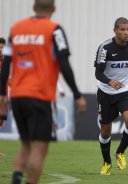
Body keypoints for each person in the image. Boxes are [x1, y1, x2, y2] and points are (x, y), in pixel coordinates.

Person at [0, 0, 87, 183]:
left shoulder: (16, 28)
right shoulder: (54, 30)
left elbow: (6, 64)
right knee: (39, 147)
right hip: (39, 96)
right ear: (54, 9)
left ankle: (16, 177)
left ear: (33, 7)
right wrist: (77, 95)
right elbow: (64, 64)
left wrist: (2, 94)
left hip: (17, 95)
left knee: (25, 143)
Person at [94, 17, 128, 175]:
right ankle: (107, 162)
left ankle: (120, 151)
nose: (126, 33)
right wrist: (110, 82)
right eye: (122, 29)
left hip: (125, 91)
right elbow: (98, 73)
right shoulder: (105, 48)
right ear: (115, 31)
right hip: (106, 92)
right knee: (106, 132)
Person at [0, 37, 7, 127]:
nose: (0, 49)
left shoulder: (7, 61)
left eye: (2, 47)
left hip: (4, 94)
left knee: (2, 122)